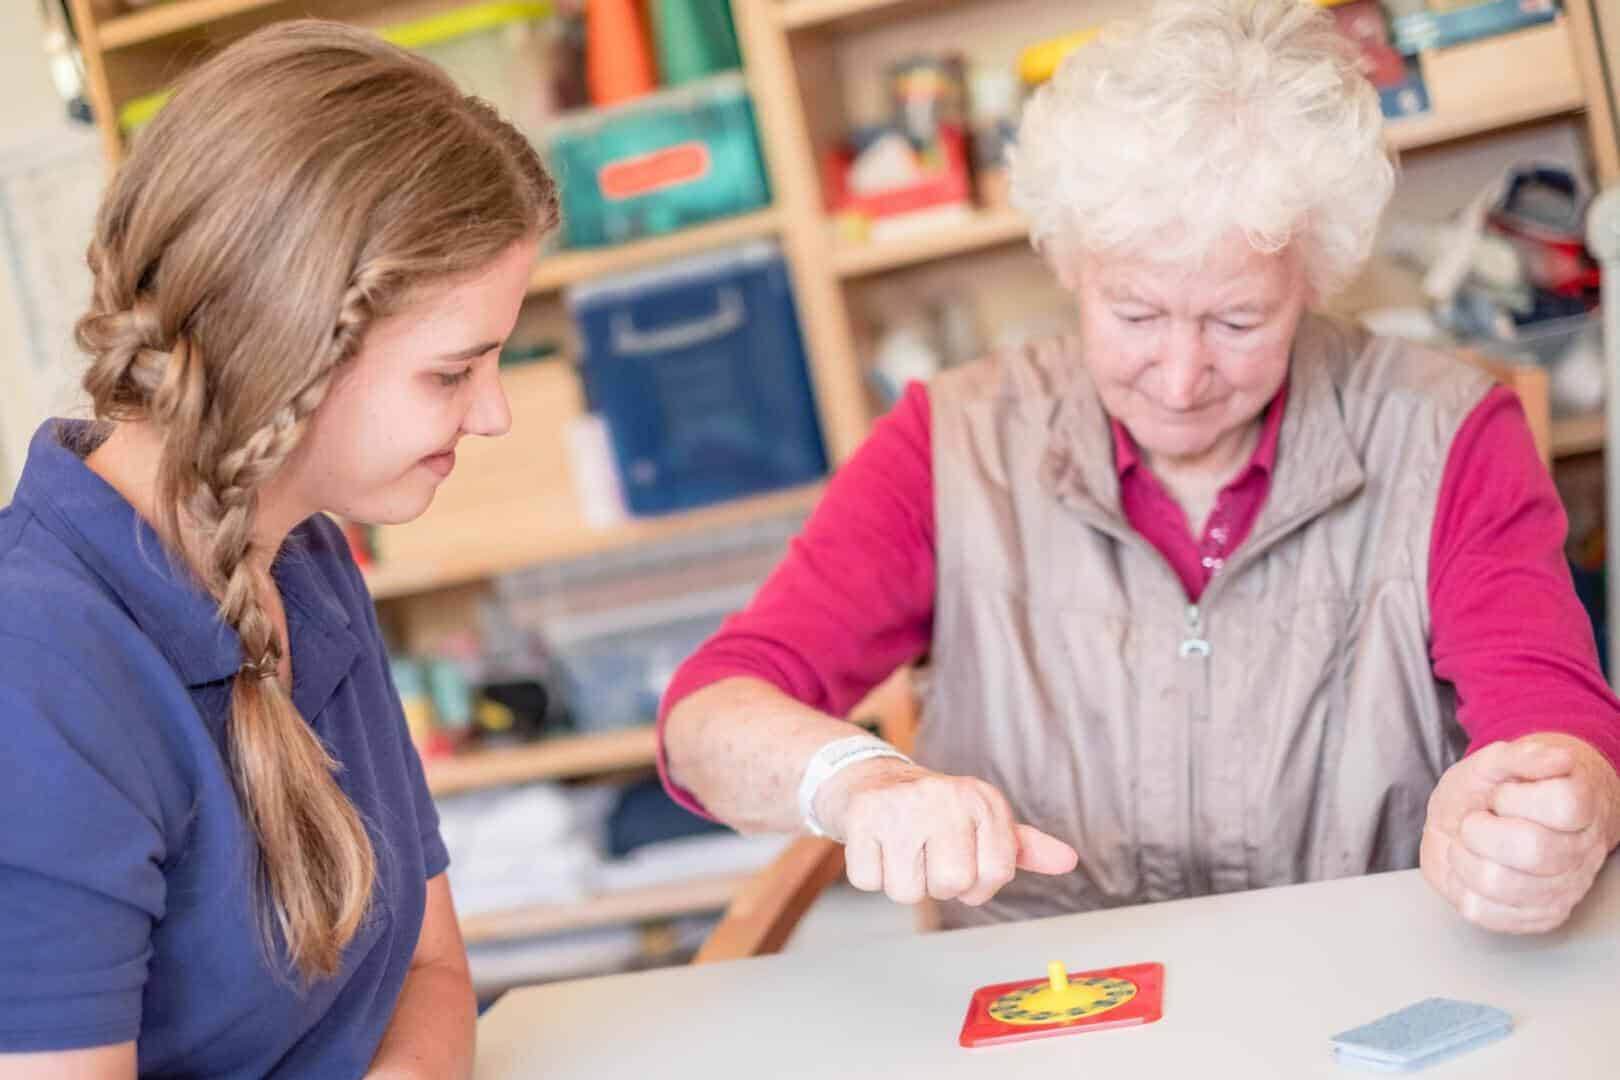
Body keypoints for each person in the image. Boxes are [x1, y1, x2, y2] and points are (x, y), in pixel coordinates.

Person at [659, 0, 1620, 936]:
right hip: (1053, 1011)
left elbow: (1555, 723)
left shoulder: (1445, 432)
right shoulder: (952, 441)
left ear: (1314, 280)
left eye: (1238, 322)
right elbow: (709, 716)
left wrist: (1545, 818)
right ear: (1072, 267)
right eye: (1135, 314)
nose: (1180, 376)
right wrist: (853, 781)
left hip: (1358, 982)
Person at [0, 21, 556, 1077]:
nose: (494, 417)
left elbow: (430, 974)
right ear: (286, 346)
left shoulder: (304, 559)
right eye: (452, 373)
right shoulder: (33, 665)